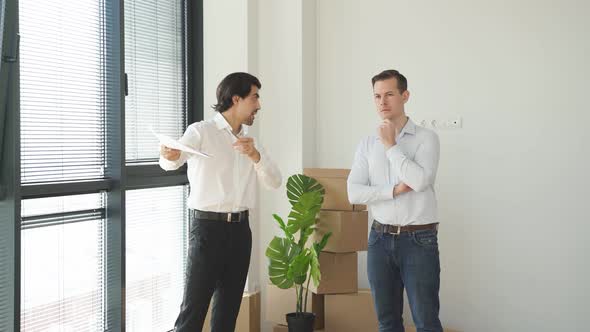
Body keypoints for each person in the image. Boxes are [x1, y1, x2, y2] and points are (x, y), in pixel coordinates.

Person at [160, 72, 282, 332]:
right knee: (192, 313)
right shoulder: (201, 131)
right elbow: (173, 160)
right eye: (255, 97)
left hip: (240, 231)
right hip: (207, 230)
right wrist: (169, 154)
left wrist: (255, 155)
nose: (259, 105)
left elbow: (274, 181)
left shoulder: (252, 141)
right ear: (236, 99)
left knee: (227, 313)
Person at [347, 69, 442, 332]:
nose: (382, 102)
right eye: (377, 96)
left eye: (389, 94)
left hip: (419, 240)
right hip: (379, 239)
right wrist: (393, 191)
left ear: (405, 95)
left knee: (426, 322)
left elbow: (420, 181)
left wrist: (390, 146)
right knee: (387, 322)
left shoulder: (426, 138)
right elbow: (353, 193)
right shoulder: (367, 144)